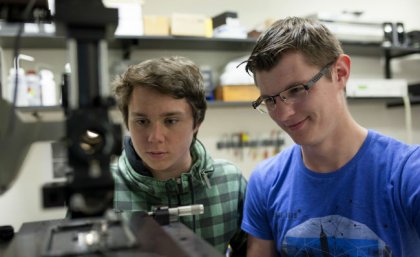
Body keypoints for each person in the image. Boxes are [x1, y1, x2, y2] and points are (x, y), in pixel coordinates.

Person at [241, 16, 420, 257]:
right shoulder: (265, 182)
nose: (283, 113)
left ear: (340, 73)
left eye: (296, 90)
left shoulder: (407, 174)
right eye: (270, 100)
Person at [111, 56, 247, 254]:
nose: (155, 137)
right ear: (127, 121)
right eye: (142, 121)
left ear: (197, 122)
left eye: (171, 121)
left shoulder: (230, 183)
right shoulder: (102, 190)